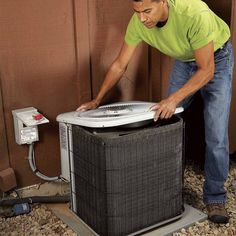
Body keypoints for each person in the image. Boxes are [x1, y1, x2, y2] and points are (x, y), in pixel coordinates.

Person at [77, 0, 234, 224]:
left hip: (216, 59)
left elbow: (207, 70)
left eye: (147, 11)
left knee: (216, 132)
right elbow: (120, 65)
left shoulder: (193, 13)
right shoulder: (139, 22)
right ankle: (162, 189)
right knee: (165, 122)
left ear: (163, 1)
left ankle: (215, 197)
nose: (142, 18)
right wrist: (97, 99)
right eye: (137, 11)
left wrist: (173, 99)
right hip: (185, 60)